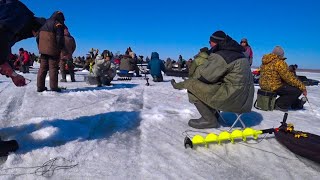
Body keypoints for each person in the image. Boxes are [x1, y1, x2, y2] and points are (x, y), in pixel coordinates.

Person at [171, 30, 254, 129]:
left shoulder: (222, 55)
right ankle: (213, 114)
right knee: (213, 85)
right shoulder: (240, 54)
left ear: (215, 42)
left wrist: (199, 69)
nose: (209, 44)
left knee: (192, 85)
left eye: (210, 42)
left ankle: (209, 120)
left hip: (233, 98)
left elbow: (205, 77)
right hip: (245, 100)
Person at [0, 0, 44, 87]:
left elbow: (5, 44)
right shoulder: (19, 14)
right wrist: (2, 62)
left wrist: (13, 74)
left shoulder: (18, 31)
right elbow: (1, 31)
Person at [259, 46, 307, 111]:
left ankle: (296, 103)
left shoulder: (265, 61)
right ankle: (279, 105)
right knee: (297, 90)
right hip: (273, 86)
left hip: (263, 85)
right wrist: (302, 87)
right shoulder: (279, 62)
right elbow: (289, 78)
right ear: (280, 55)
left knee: (288, 89)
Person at [37, 11, 65, 92]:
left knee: (42, 68)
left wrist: (40, 47)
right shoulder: (57, 25)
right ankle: (53, 87)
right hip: (53, 50)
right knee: (53, 68)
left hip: (43, 51)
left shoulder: (43, 24)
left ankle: (40, 87)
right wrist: (60, 48)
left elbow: (37, 38)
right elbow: (59, 38)